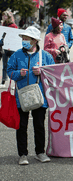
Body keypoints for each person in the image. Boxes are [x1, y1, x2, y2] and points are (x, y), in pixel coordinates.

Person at [7, 26, 55, 165]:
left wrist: (42, 72)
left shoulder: (45, 56)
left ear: (34, 41)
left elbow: (52, 73)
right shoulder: (16, 55)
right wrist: (18, 74)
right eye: (23, 38)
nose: (23, 41)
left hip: (40, 97)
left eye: (26, 38)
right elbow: (9, 71)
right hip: (21, 97)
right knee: (21, 126)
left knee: (39, 125)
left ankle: (40, 152)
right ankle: (23, 154)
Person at [0, 11, 18, 88]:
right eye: (3, 15)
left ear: (9, 17)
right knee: (4, 65)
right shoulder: (3, 25)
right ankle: (3, 81)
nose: (3, 17)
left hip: (12, 48)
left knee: (13, 65)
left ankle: (15, 82)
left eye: (5, 16)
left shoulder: (13, 26)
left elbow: (16, 36)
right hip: (5, 47)